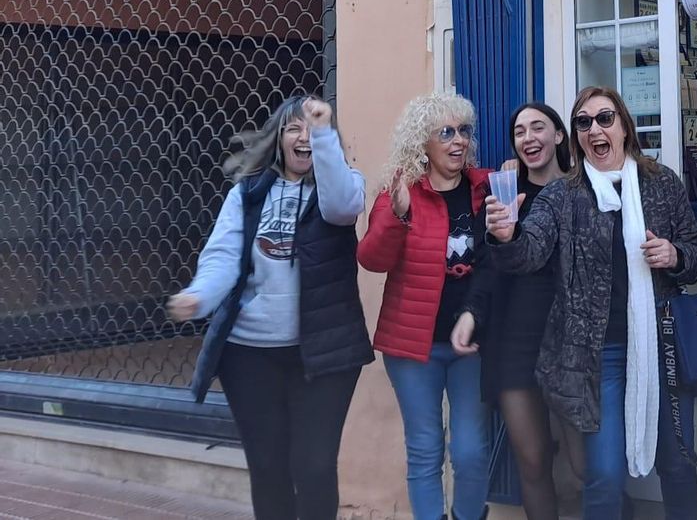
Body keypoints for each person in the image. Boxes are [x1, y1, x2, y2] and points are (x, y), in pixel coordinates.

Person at [488, 87, 697, 520]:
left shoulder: (660, 183)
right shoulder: (563, 195)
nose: (595, 129)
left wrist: (675, 255)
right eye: (583, 123)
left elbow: (695, 253)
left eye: (605, 118)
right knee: (603, 475)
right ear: (575, 137)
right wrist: (508, 236)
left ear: (624, 126)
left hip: (659, 347)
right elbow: (530, 252)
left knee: (677, 464)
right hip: (597, 355)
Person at [169, 96, 372, 520]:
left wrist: (323, 133)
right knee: (268, 467)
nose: (303, 136)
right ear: (278, 139)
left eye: (311, 128)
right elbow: (223, 257)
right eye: (292, 128)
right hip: (250, 354)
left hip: (323, 353)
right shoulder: (247, 194)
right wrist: (199, 296)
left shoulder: (342, 185)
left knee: (314, 467)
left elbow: (341, 208)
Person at [359, 93, 494, 520]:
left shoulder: (485, 188)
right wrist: (397, 217)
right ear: (423, 143)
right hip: (412, 345)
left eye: (464, 131)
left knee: (471, 452)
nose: (458, 141)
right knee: (425, 450)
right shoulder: (400, 194)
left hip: (470, 346)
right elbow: (371, 259)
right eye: (446, 132)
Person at [449, 103, 572, 520]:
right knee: (533, 463)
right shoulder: (502, 199)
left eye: (539, 127)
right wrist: (471, 314)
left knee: (587, 467)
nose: (528, 138)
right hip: (514, 343)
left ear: (558, 135)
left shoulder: (582, 189)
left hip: (571, 340)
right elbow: (486, 271)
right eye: (519, 132)